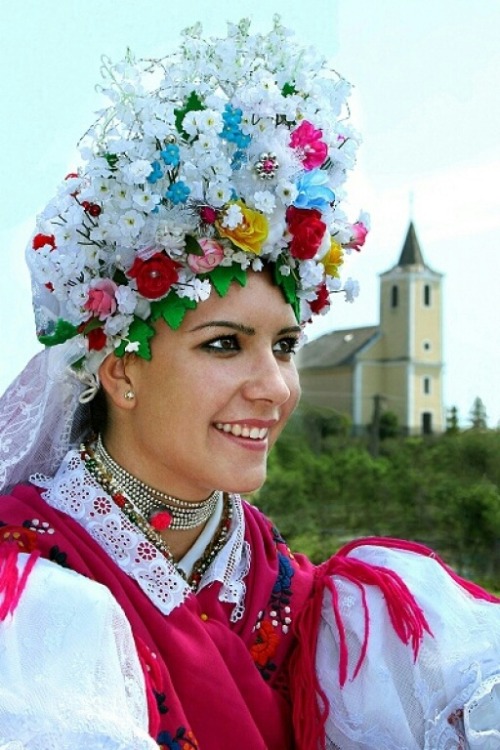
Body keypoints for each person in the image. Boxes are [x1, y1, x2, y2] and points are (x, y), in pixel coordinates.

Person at [0, 17, 499, 750]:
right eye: (225, 344)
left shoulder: (299, 599)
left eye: (287, 345)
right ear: (120, 371)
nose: (275, 387)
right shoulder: (30, 597)